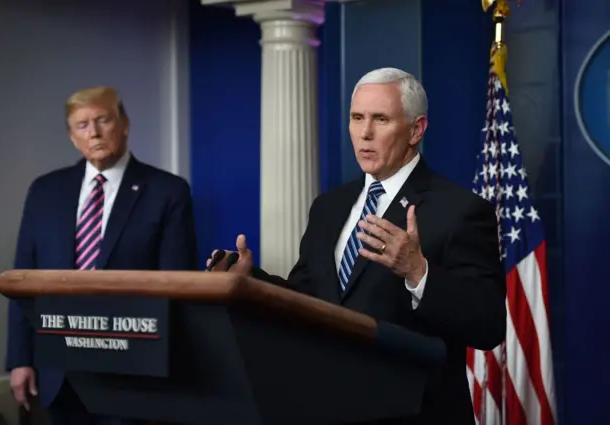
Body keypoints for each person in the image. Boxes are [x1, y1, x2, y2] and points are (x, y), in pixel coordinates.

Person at [207, 68, 506, 424]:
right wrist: (249, 281)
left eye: (380, 119)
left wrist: (418, 272)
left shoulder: (459, 211)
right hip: (326, 410)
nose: (364, 133)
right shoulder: (329, 207)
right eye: (357, 118)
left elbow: (487, 326)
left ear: (416, 129)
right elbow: (308, 300)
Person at [6, 86, 199, 425]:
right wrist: (20, 359)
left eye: (102, 120)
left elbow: (178, 286)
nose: (93, 132)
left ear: (124, 124)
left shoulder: (167, 191)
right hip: (59, 372)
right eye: (81, 125)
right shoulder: (45, 191)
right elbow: (23, 278)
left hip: (135, 371)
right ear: (71, 136)